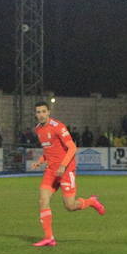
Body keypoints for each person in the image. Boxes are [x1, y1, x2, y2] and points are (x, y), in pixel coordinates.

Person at [30, 101, 105, 246]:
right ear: (35, 114)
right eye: (38, 112)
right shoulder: (38, 130)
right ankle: (49, 237)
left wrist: (63, 166)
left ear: (49, 112)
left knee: (70, 206)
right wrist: (40, 160)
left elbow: (72, 148)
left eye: (43, 111)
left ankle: (91, 202)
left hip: (66, 169)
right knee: (43, 200)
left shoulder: (58, 127)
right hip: (51, 170)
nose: (41, 115)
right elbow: (48, 151)